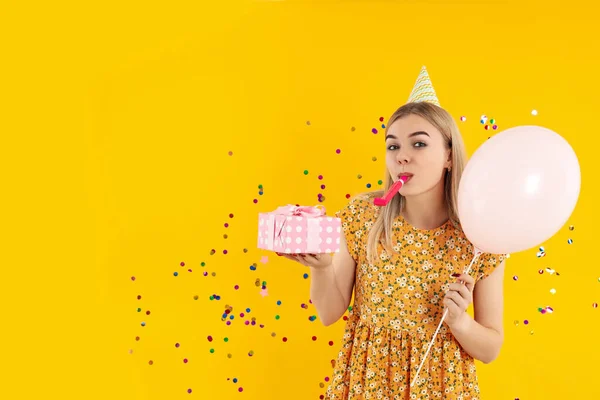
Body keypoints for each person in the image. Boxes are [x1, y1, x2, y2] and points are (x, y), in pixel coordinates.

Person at [278, 69, 508, 399]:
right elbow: (329, 313)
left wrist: (461, 322)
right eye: (393, 145)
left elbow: (490, 349)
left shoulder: (478, 236)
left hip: (441, 389)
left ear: (447, 155)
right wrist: (321, 267)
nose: (402, 155)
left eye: (418, 143)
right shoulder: (363, 216)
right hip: (366, 386)